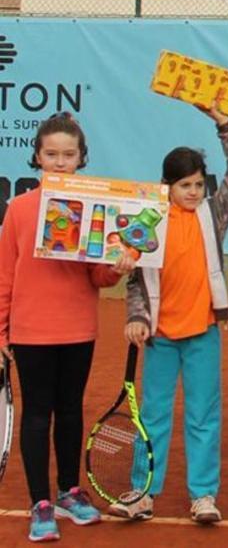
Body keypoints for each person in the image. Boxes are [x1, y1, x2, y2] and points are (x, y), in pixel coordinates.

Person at [0, 113, 135, 542]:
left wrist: (117, 269)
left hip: (79, 329)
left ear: (81, 159)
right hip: (31, 332)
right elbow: (4, 274)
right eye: (51, 154)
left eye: (68, 155)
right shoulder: (19, 209)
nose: (60, 162)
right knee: (38, 415)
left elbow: (98, 277)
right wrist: (0, 332)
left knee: (71, 411)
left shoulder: (96, 211)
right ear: (37, 157)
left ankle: (68, 492)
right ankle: (41, 501)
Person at [115, 105, 228, 524]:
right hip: (160, 337)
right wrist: (136, 316)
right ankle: (143, 491)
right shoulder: (148, 220)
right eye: (184, 185)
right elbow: (135, 276)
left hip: (204, 332)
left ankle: (203, 495)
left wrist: (224, 124)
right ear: (166, 186)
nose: (193, 192)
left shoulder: (213, 213)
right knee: (152, 415)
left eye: (198, 184)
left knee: (203, 416)